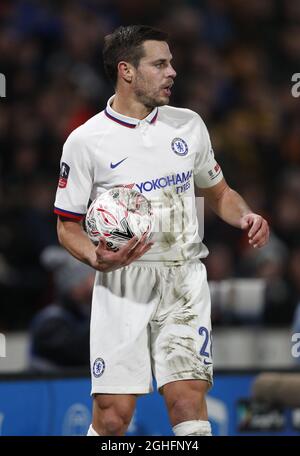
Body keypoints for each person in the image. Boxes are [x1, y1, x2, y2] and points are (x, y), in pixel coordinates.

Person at [54, 25, 269, 436]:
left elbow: (220, 192)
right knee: (114, 415)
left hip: (182, 275)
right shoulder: (86, 141)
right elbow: (67, 226)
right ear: (127, 71)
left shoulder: (188, 126)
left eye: (171, 63)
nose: (173, 72)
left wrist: (245, 216)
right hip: (122, 280)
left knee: (187, 397)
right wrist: (97, 257)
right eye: (160, 64)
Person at [29, 246, 94, 372]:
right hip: (45, 388)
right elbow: (81, 352)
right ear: (73, 285)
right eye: (86, 280)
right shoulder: (50, 322)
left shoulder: (82, 314)